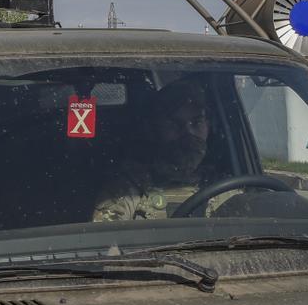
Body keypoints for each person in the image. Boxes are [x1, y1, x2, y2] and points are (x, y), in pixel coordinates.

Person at [92, 78, 221, 221]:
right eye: (174, 124)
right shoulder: (130, 187)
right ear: (153, 130)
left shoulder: (223, 184)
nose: (188, 133)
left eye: (196, 122)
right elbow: (108, 238)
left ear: (209, 126)